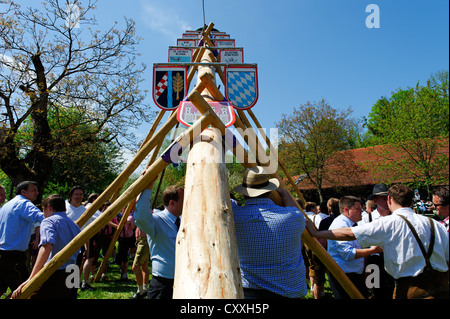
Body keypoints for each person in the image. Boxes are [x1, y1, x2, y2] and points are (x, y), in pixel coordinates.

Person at [307, 184, 449, 299]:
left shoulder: (389, 222)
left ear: (389, 200)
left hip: (410, 286)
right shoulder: (435, 224)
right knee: (377, 293)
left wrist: (317, 233)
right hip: (438, 283)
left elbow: (350, 234)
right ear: (412, 202)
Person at [231, 166, 307, 299]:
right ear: (270, 191)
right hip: (290, 292)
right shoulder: (294, 217)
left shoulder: (232, 217)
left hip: (248, 293)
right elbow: (294, 209)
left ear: (244, 193)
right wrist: (285, 194)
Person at [11, 194, 81, 299]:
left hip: (55, 271)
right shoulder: (74, 225)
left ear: (48, 207)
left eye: (43, 210)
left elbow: (47, 246)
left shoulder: (49, 221)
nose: (44, 214)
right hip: (73, 270)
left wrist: (32, 277)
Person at [134, 176, 184, 299]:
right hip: (163, 284)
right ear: (172, 203)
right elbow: (140, 217)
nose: (188, 203)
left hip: (183, 282)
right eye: (184, 200)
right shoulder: (157, 221)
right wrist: (148, 187)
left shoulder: (183, 221)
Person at [326, 196, 382, 299]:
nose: (362, 211)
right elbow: (348, 254)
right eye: (358, 208)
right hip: (345, 276)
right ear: (347, 210)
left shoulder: (350, 224)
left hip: (352, 274)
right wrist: (373, 250)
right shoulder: (341, 225)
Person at [0, 181, 44, 297]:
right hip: (13, 257)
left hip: (4, 255)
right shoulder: (24, 204)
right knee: (25, 291)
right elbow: (41, 217)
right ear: (23, 192)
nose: (37, 193)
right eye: (33, 190)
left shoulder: (7, 205)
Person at [361, 183, 394, 299]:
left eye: (389, 198)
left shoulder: (396, 217)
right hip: (374, 261)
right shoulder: (367, 219)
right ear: (375, 200)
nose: (388, 201)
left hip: (393, 259)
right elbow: (363, 245)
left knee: (393, 291)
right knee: (374, 291)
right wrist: (365, 269)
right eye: (384, 199)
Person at [65, 186, 94, 291]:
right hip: (64, 242)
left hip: (78, 244)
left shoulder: (85, 211)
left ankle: (71, 291)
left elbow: (87, 231)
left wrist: (87, 248)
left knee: (74, 267)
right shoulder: (64, 207)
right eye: (76, 194)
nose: (78, 197)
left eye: (80, 194)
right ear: (71, 196)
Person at [130, 226, 150, 299]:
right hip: (141, 240)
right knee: (144, 265)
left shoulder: (146, 214)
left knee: (135, 267)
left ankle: (140, 291)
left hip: (144, 241)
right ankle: (144, 289)